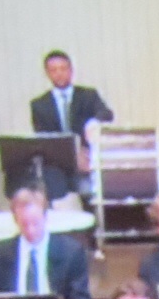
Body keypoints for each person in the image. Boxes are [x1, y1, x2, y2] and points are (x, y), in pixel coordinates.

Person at [26, 49, 114, 200]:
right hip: (56, 164)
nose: (59, 74)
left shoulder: (88, 95)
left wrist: (93, 123)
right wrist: (70, 156)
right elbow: (42, 139)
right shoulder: (39, 105)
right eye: (54, 70)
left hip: (86, 160)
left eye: (63, 69)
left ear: (71, 70)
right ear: (47, 73)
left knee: (90, 192)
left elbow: (107, 114)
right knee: (52, 187)